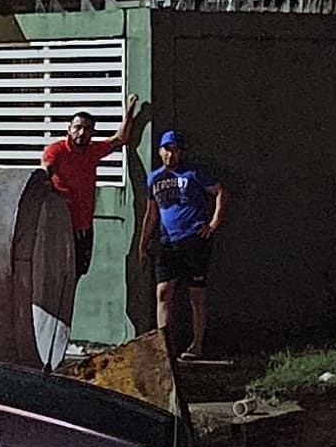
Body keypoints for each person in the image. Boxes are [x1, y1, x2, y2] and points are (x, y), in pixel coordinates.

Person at [38, 97, 148, 279]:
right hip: (62, 225)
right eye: (77, 127)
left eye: (87, 129)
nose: (81, 132)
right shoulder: (56, 151)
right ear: (69, 129)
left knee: (78, 272)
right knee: (60, 273)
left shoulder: (92, 150)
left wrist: (131, 111)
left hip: (84, 225)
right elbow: (44, 174)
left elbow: (120, 139)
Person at [146, 127, 230, 359]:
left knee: (196, 294)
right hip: (166, 242)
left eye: (175, 150)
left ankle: (197, 344)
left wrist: (213, 223)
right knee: (163, 292)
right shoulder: (155, 178)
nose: (170, 154)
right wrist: (143, 243)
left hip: (193, 239)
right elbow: (151, 213)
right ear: (160, 151)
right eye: (166, 149)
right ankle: (165, 346)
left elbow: (220, 192)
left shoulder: (193, 173)